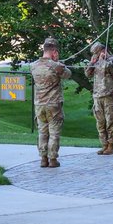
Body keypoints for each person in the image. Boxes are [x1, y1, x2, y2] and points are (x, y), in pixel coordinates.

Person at [31, 37, 72, 168]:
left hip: (39, 105)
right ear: (54, 51)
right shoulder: (56, 66)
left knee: (42, 132)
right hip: (53, 104)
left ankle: (43, 159)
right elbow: (68, 74)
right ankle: (53, 159)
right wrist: (57, 62)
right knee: (54, 133)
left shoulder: (33, 66)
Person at [86, 42, 113, 155]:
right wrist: (92, 63)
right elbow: (87, 74)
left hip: (109, 95)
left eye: (97, 53)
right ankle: (104, 145)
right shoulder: (95, 61)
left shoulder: (112, 60)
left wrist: (103, 60)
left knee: (110, 121)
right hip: (97, 95)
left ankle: (111, 145)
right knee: (100, 122)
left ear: (103, 50)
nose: (95, 55)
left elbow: (109, 68)